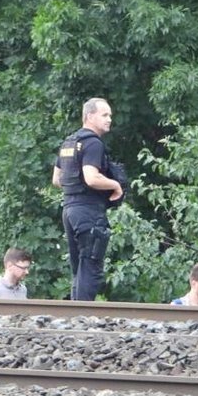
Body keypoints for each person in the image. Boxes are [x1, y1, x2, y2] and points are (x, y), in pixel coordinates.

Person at [52, 97, 123, 301]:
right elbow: (92, 178)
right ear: (90, 116)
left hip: (69, 210)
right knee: (90, 265)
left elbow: (57, 179)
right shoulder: (93, 143)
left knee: (79, 267)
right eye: (105, 115)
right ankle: (82, 314)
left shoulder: (69, 142)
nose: (109, 119)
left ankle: (75, 313)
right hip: (88, 211)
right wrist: (114, 185)